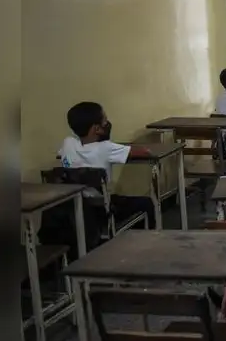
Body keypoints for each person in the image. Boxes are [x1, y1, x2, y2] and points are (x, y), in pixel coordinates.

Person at [57, 102, 156, 240]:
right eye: (105, 120)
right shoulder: (106, 148)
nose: (108, 123)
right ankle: (144, 242)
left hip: (73, 210)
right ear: (97, 129)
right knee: (146, 203)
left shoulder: (68, 144)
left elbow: (62, 153)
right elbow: (145, 152)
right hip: (103, 210)